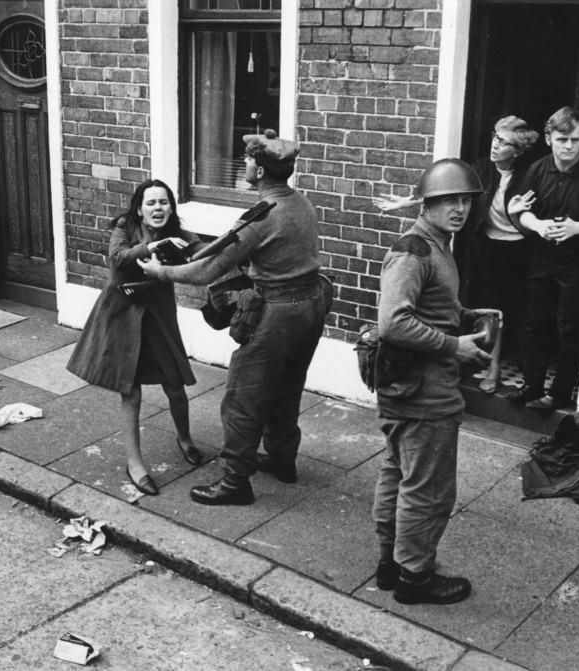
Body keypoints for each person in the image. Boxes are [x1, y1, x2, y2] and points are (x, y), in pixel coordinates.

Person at [137, 129, 326, 506]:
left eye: (250, 161)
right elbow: (234, 248)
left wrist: (161, 273)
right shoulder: (300, 203)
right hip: (312, 304)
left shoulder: (262, 216)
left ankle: (235, 482)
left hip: (278, 315)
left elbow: (208, 271)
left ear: (261, 170)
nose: (246, 165)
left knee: (243, 398)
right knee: (287, 387)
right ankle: (282, 458)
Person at [371, 159, 498, 605]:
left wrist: (466, 317)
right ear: (428, 202)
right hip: (422, 393)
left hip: (413, 389)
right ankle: (415, 578)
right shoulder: (415, 250)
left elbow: (429, 310)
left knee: (400, 476)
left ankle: (392, 564)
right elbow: (393, 323)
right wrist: (454, 346)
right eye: (449, 200)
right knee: (428, 491)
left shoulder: (437, 245)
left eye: (465, 200)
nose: (459, 208)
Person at [66, 179, 206, 496]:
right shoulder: (123, 226)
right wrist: (152, 248)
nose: (158, 208)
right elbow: (117, 257)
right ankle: (135, 464)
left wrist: (227, 247)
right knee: (131, 392)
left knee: (175, 384)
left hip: (158, 317)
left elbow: (203, 253)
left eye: (164, 202)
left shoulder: (178, 233)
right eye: (151, 203)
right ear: (139, 209)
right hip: (123, 316)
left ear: (171, 207)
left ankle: (184, 439)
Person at [504, 106, 579, 410]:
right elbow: (517, 207)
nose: (569, 146)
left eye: (575, 139)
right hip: (541, 259)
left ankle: (560, 393)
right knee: (535, 323)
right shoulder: (537, 170)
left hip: (577, 263)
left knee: (569, 328)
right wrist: (538, 225)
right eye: (562, 139)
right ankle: (532, 385)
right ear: (549, 138)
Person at [455, 116, 539, 393]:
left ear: (517, 151)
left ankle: (512, 372)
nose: (495, 145)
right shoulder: (480, 168)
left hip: (517, 249)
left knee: (512, 310)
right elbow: (452, 185)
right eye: (495, 137)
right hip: (485, 245)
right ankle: (481, 364)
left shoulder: (529, 175)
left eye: (504, 143)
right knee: (483, 306)